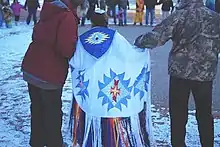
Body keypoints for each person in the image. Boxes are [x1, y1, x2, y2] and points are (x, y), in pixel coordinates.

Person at [134, 0, 220, 146]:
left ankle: (178, 143)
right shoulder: (214, 17)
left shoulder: (179, 16)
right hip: (205, 74)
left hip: (180, 73)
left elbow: (156, 38)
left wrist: (139, 41)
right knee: (205, 113)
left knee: (178, 114)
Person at [69, 9, 154, 147]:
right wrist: (142, 52)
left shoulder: (84, 39)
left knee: (92, 110)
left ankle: (92, 139)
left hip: (92, 91)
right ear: (106, 20)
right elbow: (129, 55)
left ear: (92, 21)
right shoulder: (116, 37)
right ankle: (110, 140)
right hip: (111, 91)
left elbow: (76, 61)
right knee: (109, 115)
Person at [21, 0, 89, 146]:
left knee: (37, 107)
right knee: (53, 111)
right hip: (49, 73)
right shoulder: (67, 17)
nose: (82, 17)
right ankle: (54, 143)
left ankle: (37, 141)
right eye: (82, 13)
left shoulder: (50, 10)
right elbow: (65, 48)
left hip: (32, 66)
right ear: (78, 7)